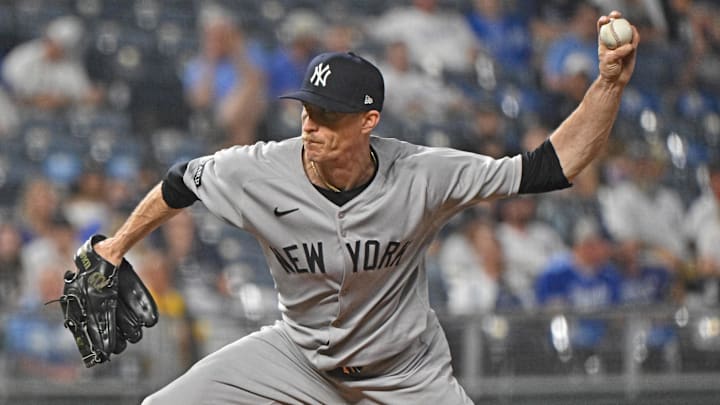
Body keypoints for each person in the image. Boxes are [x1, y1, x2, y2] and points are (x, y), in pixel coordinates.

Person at [84, 11, 638, 404]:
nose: (310, 125)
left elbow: (550, 167)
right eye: (307, 110)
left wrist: (608, 83)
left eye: (327, 115)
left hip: (407, 373)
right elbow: (181, 181)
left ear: (368, 121)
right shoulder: (259, 167)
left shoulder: (422, 172)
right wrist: (116, 244)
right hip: (298, 360)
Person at [2, 15, 102, 111]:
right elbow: (8, 90)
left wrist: (63, 101)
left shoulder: (70, 65)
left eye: (61, 45)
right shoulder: (24, 56)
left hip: (58, 116)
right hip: (18, 111)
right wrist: (35, 101)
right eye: (53, 42)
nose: (54, 47)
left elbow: (86, 95)